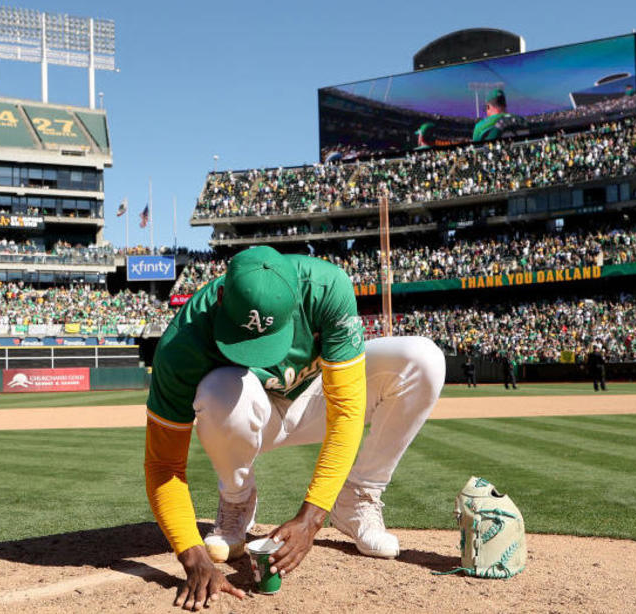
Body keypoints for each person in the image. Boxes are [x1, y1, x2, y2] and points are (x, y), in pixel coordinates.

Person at [144, 246, 445, 611]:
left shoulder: (325, 287)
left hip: (317, 397)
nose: (259, 352)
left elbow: (348, 411)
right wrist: (191, 555)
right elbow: (163, 467)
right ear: (221, 295)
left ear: (295, 302)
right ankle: (236, 501)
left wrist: (313, 516)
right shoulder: (182, 342)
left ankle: (358, 498)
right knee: (216, 390)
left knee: (423, 359)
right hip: (250, 410)